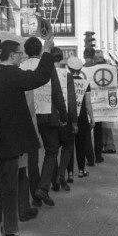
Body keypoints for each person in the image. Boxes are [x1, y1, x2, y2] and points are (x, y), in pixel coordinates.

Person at [0, 34, 55, 236]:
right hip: (9, 142)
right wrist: (46, 53)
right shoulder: (10, 73)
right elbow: (40, 77)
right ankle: (10, 232)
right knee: (9, 187)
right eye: (19, 53)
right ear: (0, 53)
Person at [21, 37, 71, 201]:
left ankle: (36, 193)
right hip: (47, 113)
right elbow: (57, 93)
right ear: (40, 50)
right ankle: (43, 188)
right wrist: (64, 116)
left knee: (33, 157)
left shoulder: (20, 66)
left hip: (28, 114)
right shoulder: (47, 65)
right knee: (52, 150)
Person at [0, 40, 38, 221]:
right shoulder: (20, 76)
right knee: (21, 174)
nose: (23, 56)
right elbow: (29, 107)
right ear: (12, 55)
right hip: (16, 134)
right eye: (20, 53)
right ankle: (22, 209)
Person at [49, 47, 78, 187]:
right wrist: (74, 121)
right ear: (60, 59)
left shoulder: (45, 73)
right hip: (64, 116)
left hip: (48, 116)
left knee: (52, 150)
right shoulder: (67, 75)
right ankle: (61, 174)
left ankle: (54, 179)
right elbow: (71, 100)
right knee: (67, 145)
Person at [66, 57, 95, 178]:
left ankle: (70, 174)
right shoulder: (85, 83)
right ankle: (81, 170)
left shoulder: (66, 82)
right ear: (81, 69)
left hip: (69, 117)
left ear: (68, 68)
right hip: (82, 117)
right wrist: (92, 118)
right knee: (81, 144)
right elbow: (88, 103)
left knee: (68, 146)